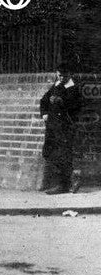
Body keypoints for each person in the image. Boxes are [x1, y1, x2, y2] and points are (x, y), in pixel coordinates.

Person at [40, 63, 84, 194]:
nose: (61, 78)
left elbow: (76, 107)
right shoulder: (57, 85)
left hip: (65, 127)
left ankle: (63, 185)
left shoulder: (74, 88)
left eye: (64, 75)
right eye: (59, 75)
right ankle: (57, 182)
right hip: (53, 126)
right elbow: (44, 100)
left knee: (63, 154)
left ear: (70, 75)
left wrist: (62, 102)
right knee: (50, 152)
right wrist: (45, 114)